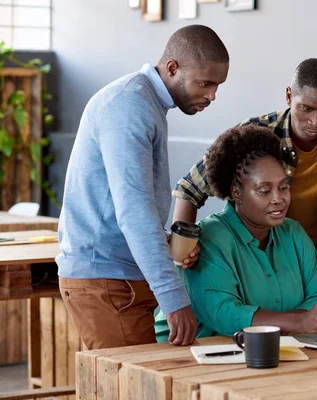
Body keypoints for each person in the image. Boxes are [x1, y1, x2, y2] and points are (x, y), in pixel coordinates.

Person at [172, 58, 317, 301]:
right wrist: (182, 259)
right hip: (255, 281)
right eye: (306, 108)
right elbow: (189, 188)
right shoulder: (255, 134)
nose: (316, 122)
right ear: (288, 96)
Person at [56, 25, 229, 349]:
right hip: (105, 278)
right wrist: (174, 299)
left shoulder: (143, 102)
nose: (211, 95)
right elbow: (133, 211)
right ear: (172, 68)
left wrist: (163, 244)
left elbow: (119, 202)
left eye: (218, 85)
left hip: (116, 276)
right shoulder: (129, 106)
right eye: (205, 83)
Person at [155, 125, 317, 340]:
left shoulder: (294, 233)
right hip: (192, 351)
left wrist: (303, 322)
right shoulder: (210, 239)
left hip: (269, 348)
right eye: (264, 191)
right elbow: (225, 315)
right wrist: (300, 322)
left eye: (283, 187)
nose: (278, 199)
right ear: (237, 193)